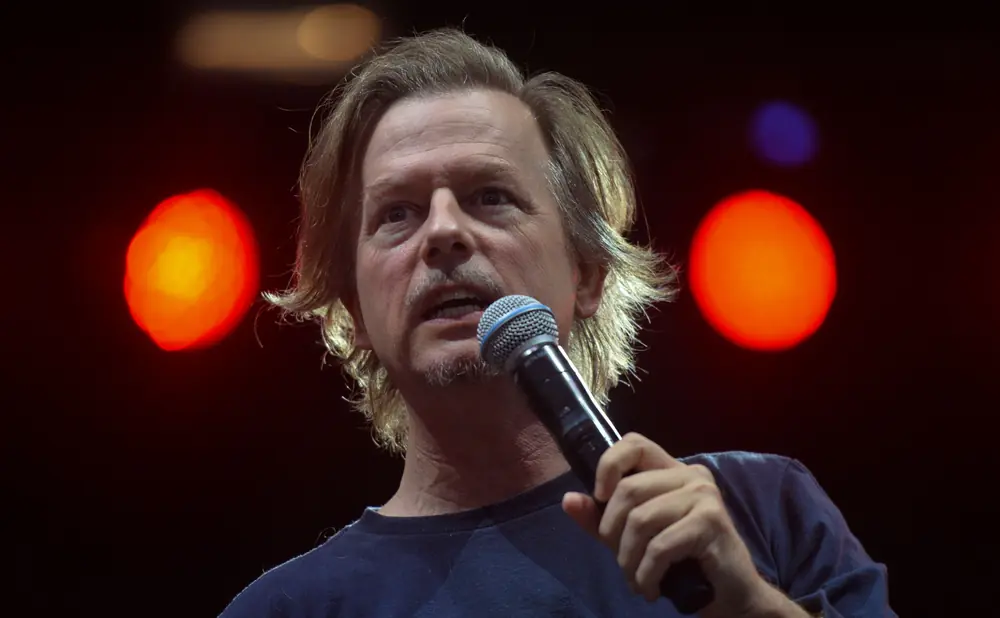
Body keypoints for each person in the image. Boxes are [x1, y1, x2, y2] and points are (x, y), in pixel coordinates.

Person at [220, 28, 895, 618]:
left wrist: (749, 608)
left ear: (587, 273)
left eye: (491, 197)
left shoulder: (764, 510)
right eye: (398, 212)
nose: (445, 231)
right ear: (353, 312)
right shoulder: (290, 610)